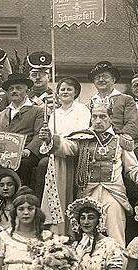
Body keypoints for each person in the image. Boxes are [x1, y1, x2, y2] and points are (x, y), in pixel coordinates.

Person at [40, 102, 138, 247]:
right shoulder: (82, 138)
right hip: (88, 193)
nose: (98, 120)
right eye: (95, 117)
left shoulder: (121, 140)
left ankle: (118, 268)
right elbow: (67, 147)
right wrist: (51, 138)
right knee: (87, 237)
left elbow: (132, 169)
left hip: (114, 194)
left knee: (116, 237)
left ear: (110, 118)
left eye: (102, 116)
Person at [40, 76, 91, 235]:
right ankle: (55, 227)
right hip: (57, 152)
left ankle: (69, 230)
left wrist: (58, 140)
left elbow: (81, 133)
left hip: (75, 151)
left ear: (75, 92)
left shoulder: (81, 109)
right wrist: (48, 138)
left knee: (68, 191)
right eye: (62, 89)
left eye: (69, 89)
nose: (65, 92)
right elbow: (51, 135)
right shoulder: (55, 113)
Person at [0, 73, 44, 190]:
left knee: (24, 165)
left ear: (27, 91)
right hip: (4, 155)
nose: (14, 91)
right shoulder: (2, 114)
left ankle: (23, 196)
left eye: (18, 88)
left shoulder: (37, 111)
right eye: (11, 89)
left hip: (26, 155)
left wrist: (28, 150)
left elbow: (39, 135)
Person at [88, 61, 138, 154]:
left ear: (113, 79)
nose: (101, 80)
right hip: (95, 141)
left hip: (121, 140)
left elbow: (133, 124)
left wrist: (118, 139)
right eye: (97, 77)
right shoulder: (89, 103)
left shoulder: (126, 99)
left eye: (105, 76)